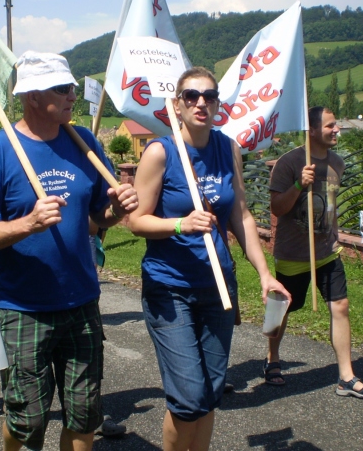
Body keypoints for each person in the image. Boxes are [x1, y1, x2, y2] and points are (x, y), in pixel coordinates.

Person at [0, 51, 138, 451]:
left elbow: (97, 218)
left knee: (84, 415)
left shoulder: (85, 142)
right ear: (29, 95)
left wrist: (116, 209)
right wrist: (28, 222)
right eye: (61, 88)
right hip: (23, 307)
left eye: (72, 86)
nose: (71, 95)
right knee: (27, 420)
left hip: (81, 303)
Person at [128, 67, 291, 450]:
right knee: (187, 397)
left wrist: (264, 274)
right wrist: (181, 224)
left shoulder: (226, 147)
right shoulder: (159, 152)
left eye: (210, 95)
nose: (201, 102)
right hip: (170, 289)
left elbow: (243, 217)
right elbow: (136, 221)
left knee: (210, 392)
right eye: (191, 96)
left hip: (219, 288)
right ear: (177, 106)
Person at [266, 106, 363, 399]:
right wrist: (297, 185)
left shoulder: (337, 163)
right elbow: (277, 208)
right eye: (330, 126)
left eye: (337, 125)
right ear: (312, 130)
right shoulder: (288, 163)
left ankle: (346, 375)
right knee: (282, 310)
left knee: (340, 306)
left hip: (327, 251)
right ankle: (272, 358)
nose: (337, 130)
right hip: (293, 254)